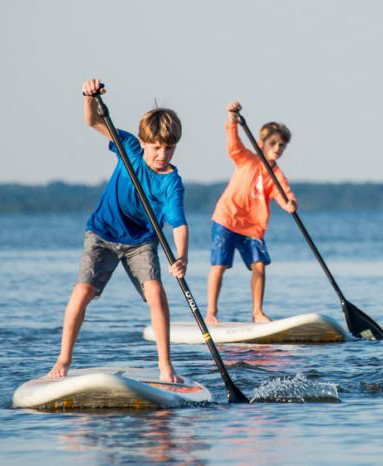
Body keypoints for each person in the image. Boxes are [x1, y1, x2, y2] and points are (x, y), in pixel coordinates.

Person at [48, 79, 187, 383]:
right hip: (102, 233)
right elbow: (93, 120)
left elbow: (179, 224)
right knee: (82, 292)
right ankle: (62, 361)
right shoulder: (129, 147)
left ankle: (166, 367)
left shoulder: (171, 182)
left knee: (157, 294)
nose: (162, 155)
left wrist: (182, 258)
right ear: (143, 141)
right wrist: (88, 96)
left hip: (141, 241)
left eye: (169, 147)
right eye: (156, 147)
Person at [205, 101, 298, 324]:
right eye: (273, 143)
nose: (277, 148)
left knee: (259, 265)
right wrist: (232, 118)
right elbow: (233, 144)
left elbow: (284, 195)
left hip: (252, 227)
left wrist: (291, 204)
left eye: (282, 145)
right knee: (219, 265)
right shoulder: (247, 159)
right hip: (227, 219)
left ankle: (257, 312)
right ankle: (211, 313)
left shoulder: (275, 173)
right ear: (261, 144)